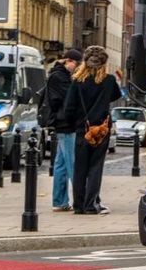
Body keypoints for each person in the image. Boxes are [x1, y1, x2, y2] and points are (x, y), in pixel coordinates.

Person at [63, 46, 121, 215]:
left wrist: (75, 123)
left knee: (80, 168)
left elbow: (69, 108)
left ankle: (79, 205)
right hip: (101, 129)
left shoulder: (77, 80)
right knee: (96, 167)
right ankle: (91, 204)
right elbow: (116, 95)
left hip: (83, 129)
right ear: (104, 63)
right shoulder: (109, 81)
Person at [45, 48, 82, 212]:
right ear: (68, 61)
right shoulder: (60, 77)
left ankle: (59, 201)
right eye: (76, 64)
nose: (77, 67)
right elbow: (70, 98)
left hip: (63, 123)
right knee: (73, 163)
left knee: (61, 164)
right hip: (66, 123)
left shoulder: (59, 75)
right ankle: (81, 200)